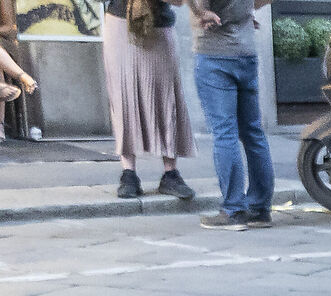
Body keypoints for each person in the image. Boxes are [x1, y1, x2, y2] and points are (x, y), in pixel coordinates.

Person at [190, 0, 269, 226]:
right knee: (253, 132)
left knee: (225, 133)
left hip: (215, 54)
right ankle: (260, 209)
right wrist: (245, 10)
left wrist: (199, 12)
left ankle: (233, 209)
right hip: (246, 51)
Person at [102, 0, 192, 199]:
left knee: (167, 97)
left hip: (160, 24)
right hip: (120, 22)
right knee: (124, 96)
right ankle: (129, 173)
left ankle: (171, 173)